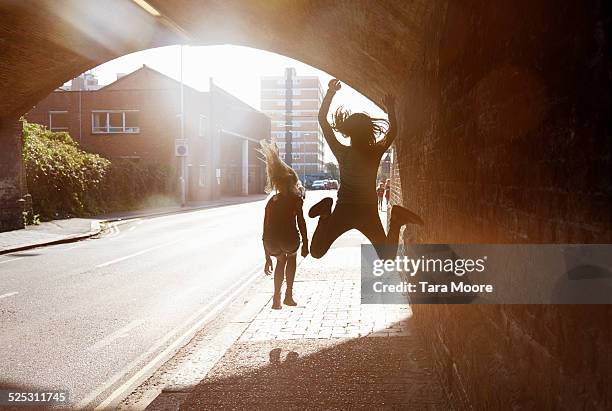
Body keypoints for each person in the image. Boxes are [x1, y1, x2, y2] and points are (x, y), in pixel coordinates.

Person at [309, 79, 424, 260]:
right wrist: (391, 108)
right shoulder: (374, 152)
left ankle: (325, 213)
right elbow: (392, 132)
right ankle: (396, 220)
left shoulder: (342, 152)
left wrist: (331, 93)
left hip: (344, 210)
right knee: (387, 258)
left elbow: (322, 120)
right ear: (368, 131)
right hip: (367, 211)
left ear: (349, 133)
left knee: (316, 252)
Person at [260, 140, 309, 309]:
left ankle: (276, 298)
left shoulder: (271, 202)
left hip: (271, 242)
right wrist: (306, 243)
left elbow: (265, 229)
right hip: (289, 238)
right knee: (291, 258)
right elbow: (301, 222)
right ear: (292, 182)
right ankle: (288, 295)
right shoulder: (296, 199)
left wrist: (267, 257)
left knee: (280, 262)